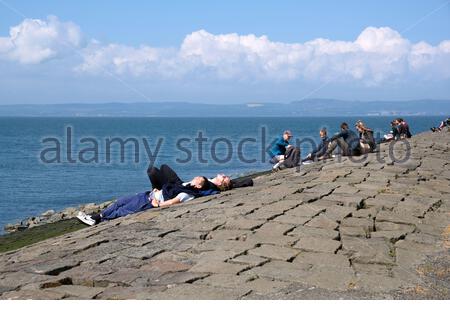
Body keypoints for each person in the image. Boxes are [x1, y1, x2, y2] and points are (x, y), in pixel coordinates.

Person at [77, 173, 212, 226]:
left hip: (149, 202)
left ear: (198, 185)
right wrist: (158, 191)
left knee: (122, 210)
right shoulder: (186, 186)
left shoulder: (188, 194)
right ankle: (97, 219)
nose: (195, 177)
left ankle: (95, 218)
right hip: (148, 194)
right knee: (120, 201)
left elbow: (172, 202)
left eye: (198, 179)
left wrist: (157, 205)